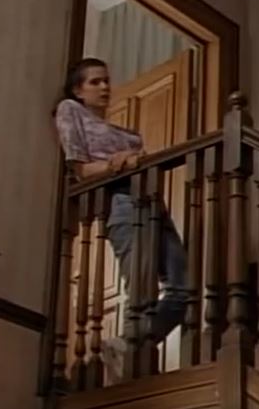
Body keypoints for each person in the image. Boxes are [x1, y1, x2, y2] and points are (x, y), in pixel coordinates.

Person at [54, 58, 188, 381]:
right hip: (122, 203)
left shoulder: (126, 133)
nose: (105, 87)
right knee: (141, 285)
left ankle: (126, 346)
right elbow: (81, 169)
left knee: (185, 288)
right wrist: (119, 163)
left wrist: (130, 157)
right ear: (78, 90)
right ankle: (135, 364)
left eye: (106, 81)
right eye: (95, 82)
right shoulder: (70, 110)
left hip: (153, 202)